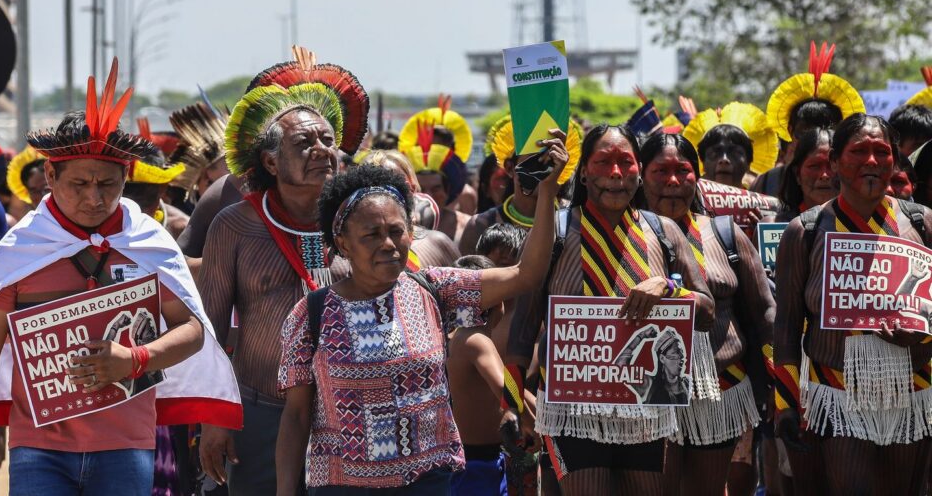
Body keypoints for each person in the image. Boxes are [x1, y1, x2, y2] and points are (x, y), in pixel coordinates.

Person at [0, 59, 241, 495]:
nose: (95, 198)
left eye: (108, 185)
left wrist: (134, 360)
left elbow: (192, 330)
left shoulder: (148, 242)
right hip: (38, 447)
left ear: (126, 178)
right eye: (79, 184)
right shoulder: (21, 248)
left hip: (127, 446)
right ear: (51, 176)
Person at [276, 134, 566, 493]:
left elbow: (527, 273)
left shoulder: (435, 290)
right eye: (371, 234)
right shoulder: (312, 314)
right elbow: (296, 415)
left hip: (427, 481)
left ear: (411, 235)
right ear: (343, 244)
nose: (387, 244)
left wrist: (548, 193)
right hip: (342, 485)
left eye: (397, 231)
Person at [505, 123, 715, 495]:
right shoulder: (553, 232)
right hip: (572, 412)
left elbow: (707, 309)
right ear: (583, 172)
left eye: (626, 162)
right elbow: (522, 331)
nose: (616, 174)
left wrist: (667, 287)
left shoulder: (663, 231)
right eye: (603, 162)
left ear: (638, 169)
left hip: (646, 409)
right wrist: (514, 404)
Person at [198, 49, 369, 495]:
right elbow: (211, 329)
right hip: (259, 412)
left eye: (328, 141)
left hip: (348, 412)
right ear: (270, 162)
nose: (322, 152)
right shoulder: (233, 225)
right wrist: (216, 417)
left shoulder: (360, 222)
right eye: (304, 143)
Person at [774, 113, 932, 494]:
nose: (872, 162)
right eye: (858, 151)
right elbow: (786, 326)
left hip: (912, 390)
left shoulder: (922, 223)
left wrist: (923, 336)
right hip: (836, 393)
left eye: (882, 152)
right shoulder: (805, 232)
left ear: (895, 160)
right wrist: (785, 404)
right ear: (833, 164)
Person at [639, 132, 775, 495]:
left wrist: (786, 385)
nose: (672, 182)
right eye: (660, 171)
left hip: (721, 390)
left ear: (696, 178)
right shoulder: (623, 237)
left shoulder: (724, 235)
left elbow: (765, 314)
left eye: (682, 171)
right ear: (640, 175)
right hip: (645, 395)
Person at [446, 254, 533, 496]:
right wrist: (537, 422)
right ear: (496, 299)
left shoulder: (457, 337)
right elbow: (507, 389)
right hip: (475, 466)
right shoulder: (476, 340)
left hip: (465, 462)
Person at [753, 41, 865, 197]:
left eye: (827, 130)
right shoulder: (767, 182)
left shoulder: (855, 180)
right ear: (790, 132)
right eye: (806, 132)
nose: (817, 139)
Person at [459, 113, 582, 255]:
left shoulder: (576, 220)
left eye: (551, 162)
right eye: (533, 162)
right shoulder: (480, 225)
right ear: (510, 168)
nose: (543, 171)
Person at [355, 149, 460, 268]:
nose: (389, 195)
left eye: (399, 186)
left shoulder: (439, 244)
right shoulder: (350, 251)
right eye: (378, 187)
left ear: (413, 189)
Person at [398, 96, 473, 243]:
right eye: (421, 189)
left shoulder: (467, 218)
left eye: (436, 188)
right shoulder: (398, 229)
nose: (428, 196)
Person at [682, 102, 778, 189]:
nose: (724, 160)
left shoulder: (763, 204)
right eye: (714, 153)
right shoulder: (686, 205)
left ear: (749, 163)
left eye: (735, 153)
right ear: (702, 163)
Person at [168, 102, 230, 213]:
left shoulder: (239, 205)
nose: (238, 172)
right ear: (206, 176)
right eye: (229, 166)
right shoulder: (181, 215)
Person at [122, 146, 191, 240]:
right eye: (125, 193)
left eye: (142, 195)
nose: (133, 206)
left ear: (163, 188)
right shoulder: (99, 222)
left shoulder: (181, 229)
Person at [776, 128, 837, 222]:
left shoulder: (863, 226)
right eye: (814, 166)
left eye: (831, 166)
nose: (824, 175)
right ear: (797, 174)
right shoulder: (777, 225)